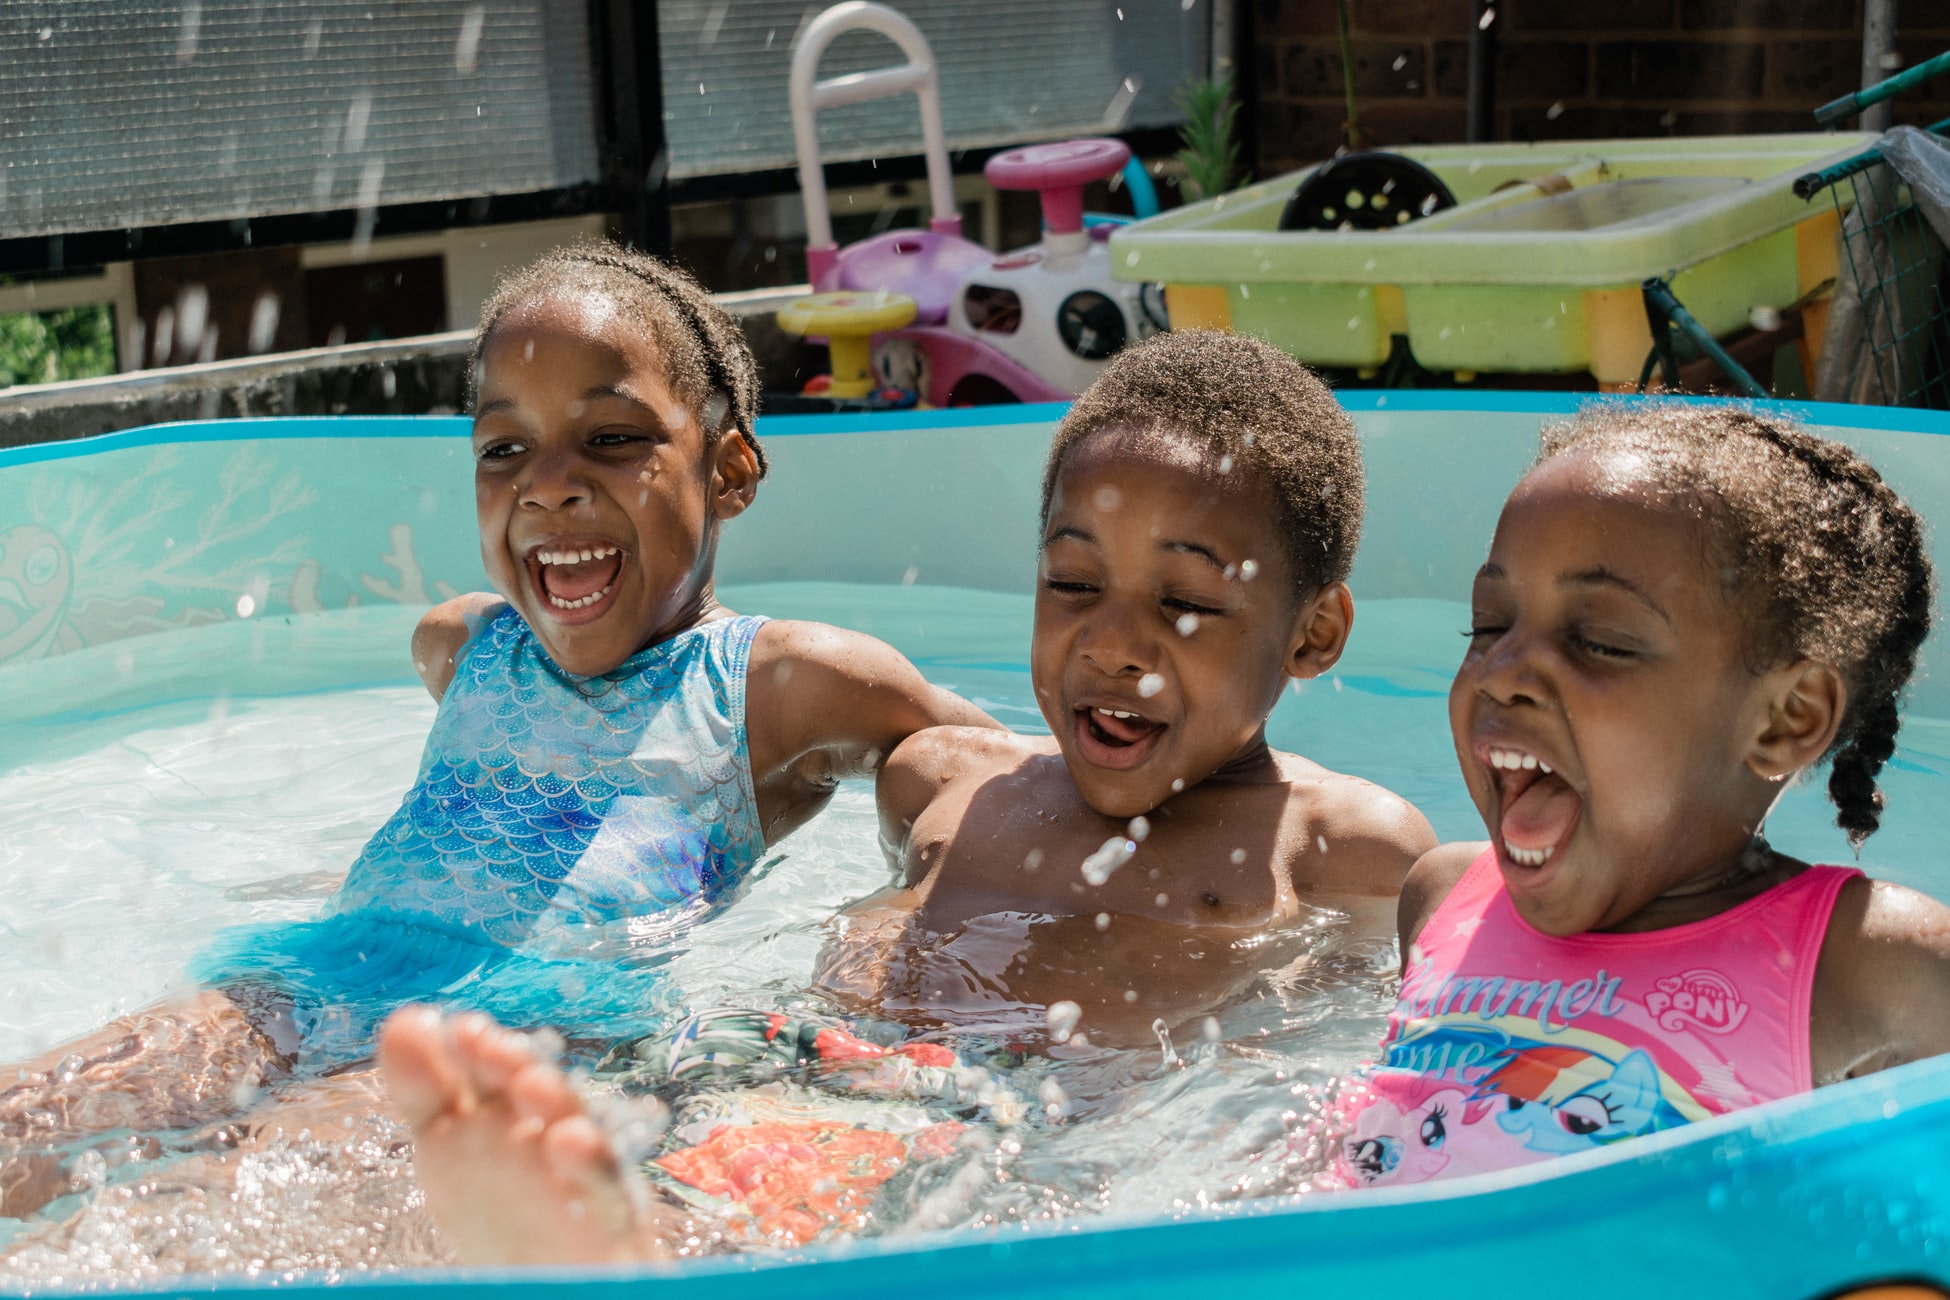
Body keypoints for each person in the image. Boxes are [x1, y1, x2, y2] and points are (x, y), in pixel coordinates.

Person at [377, 329, 1439, 1263]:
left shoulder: (1337, 843)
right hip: (779, 1047)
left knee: (839, 1175)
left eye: (1185, 601)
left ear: (1314, 633)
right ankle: (576, 1213)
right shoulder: (946, 778)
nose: (1111, 642)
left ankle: (607, 1239)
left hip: (995, 1106)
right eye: (1072, 584)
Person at [0, 244, 995, 1215]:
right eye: (504, 446)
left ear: (728, 468)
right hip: (307, 974)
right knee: (29, 1118)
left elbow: (988, 768)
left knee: (203, 1207)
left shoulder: (778, 682)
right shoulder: (464, 644)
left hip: (518, 1024)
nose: (548, 481)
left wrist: (899, 914)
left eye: (611, 437)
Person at [1331, 404, 1950, 1189]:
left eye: (1600, 641)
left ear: (1784, 719)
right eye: (1488, 625)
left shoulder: (1876, 967)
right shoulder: (1444, 894)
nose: (1501, 670)